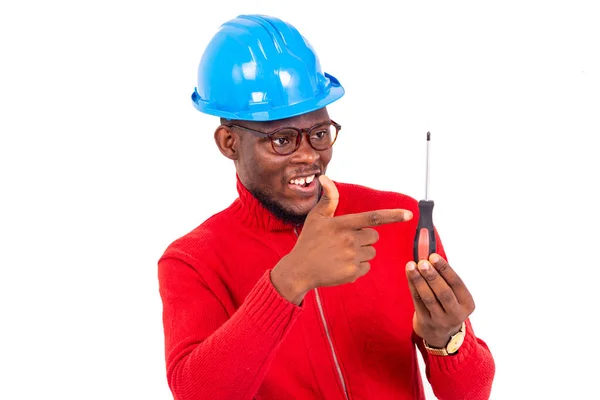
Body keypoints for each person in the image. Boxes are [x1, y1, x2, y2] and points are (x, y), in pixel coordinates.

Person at [158, 14, 495, 400]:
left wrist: (448, 339)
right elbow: (197, 392)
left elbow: (470, 393)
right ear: (229, 143)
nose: (309, 156)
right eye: (282, 140)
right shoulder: (192, 260)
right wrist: (290, 280)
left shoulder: (399, 221)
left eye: (319, 134)